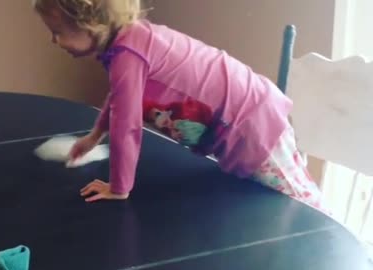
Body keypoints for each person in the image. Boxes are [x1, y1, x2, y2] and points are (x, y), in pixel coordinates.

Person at [32, 0, 326, 211]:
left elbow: (127, 125)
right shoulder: (131, 41)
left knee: (297, 205)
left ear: (88, 24)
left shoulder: (127, 55)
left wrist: (119, 188)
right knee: (276, 200)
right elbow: (121, 98)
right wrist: (94, 137)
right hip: (251, 115)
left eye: (58, 31)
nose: (54, 40)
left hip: (250, 126)